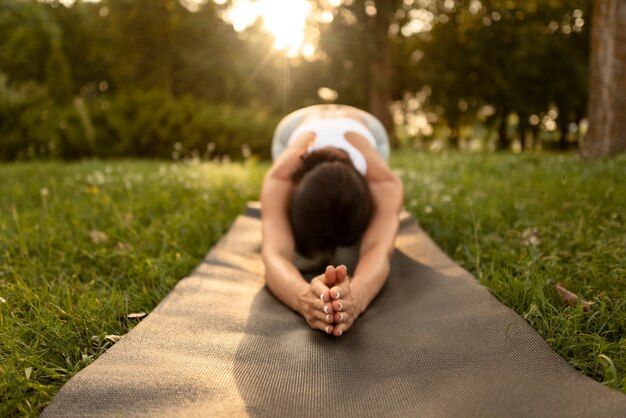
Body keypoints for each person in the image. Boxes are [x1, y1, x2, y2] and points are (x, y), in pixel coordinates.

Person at [261, 104, 404, 337]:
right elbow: (273, 254)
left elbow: (379, 249)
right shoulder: (281, 175)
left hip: (366, 128)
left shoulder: (384, 181)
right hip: (295, 125)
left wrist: (356, 298)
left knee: (387, 213)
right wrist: (303, 299)